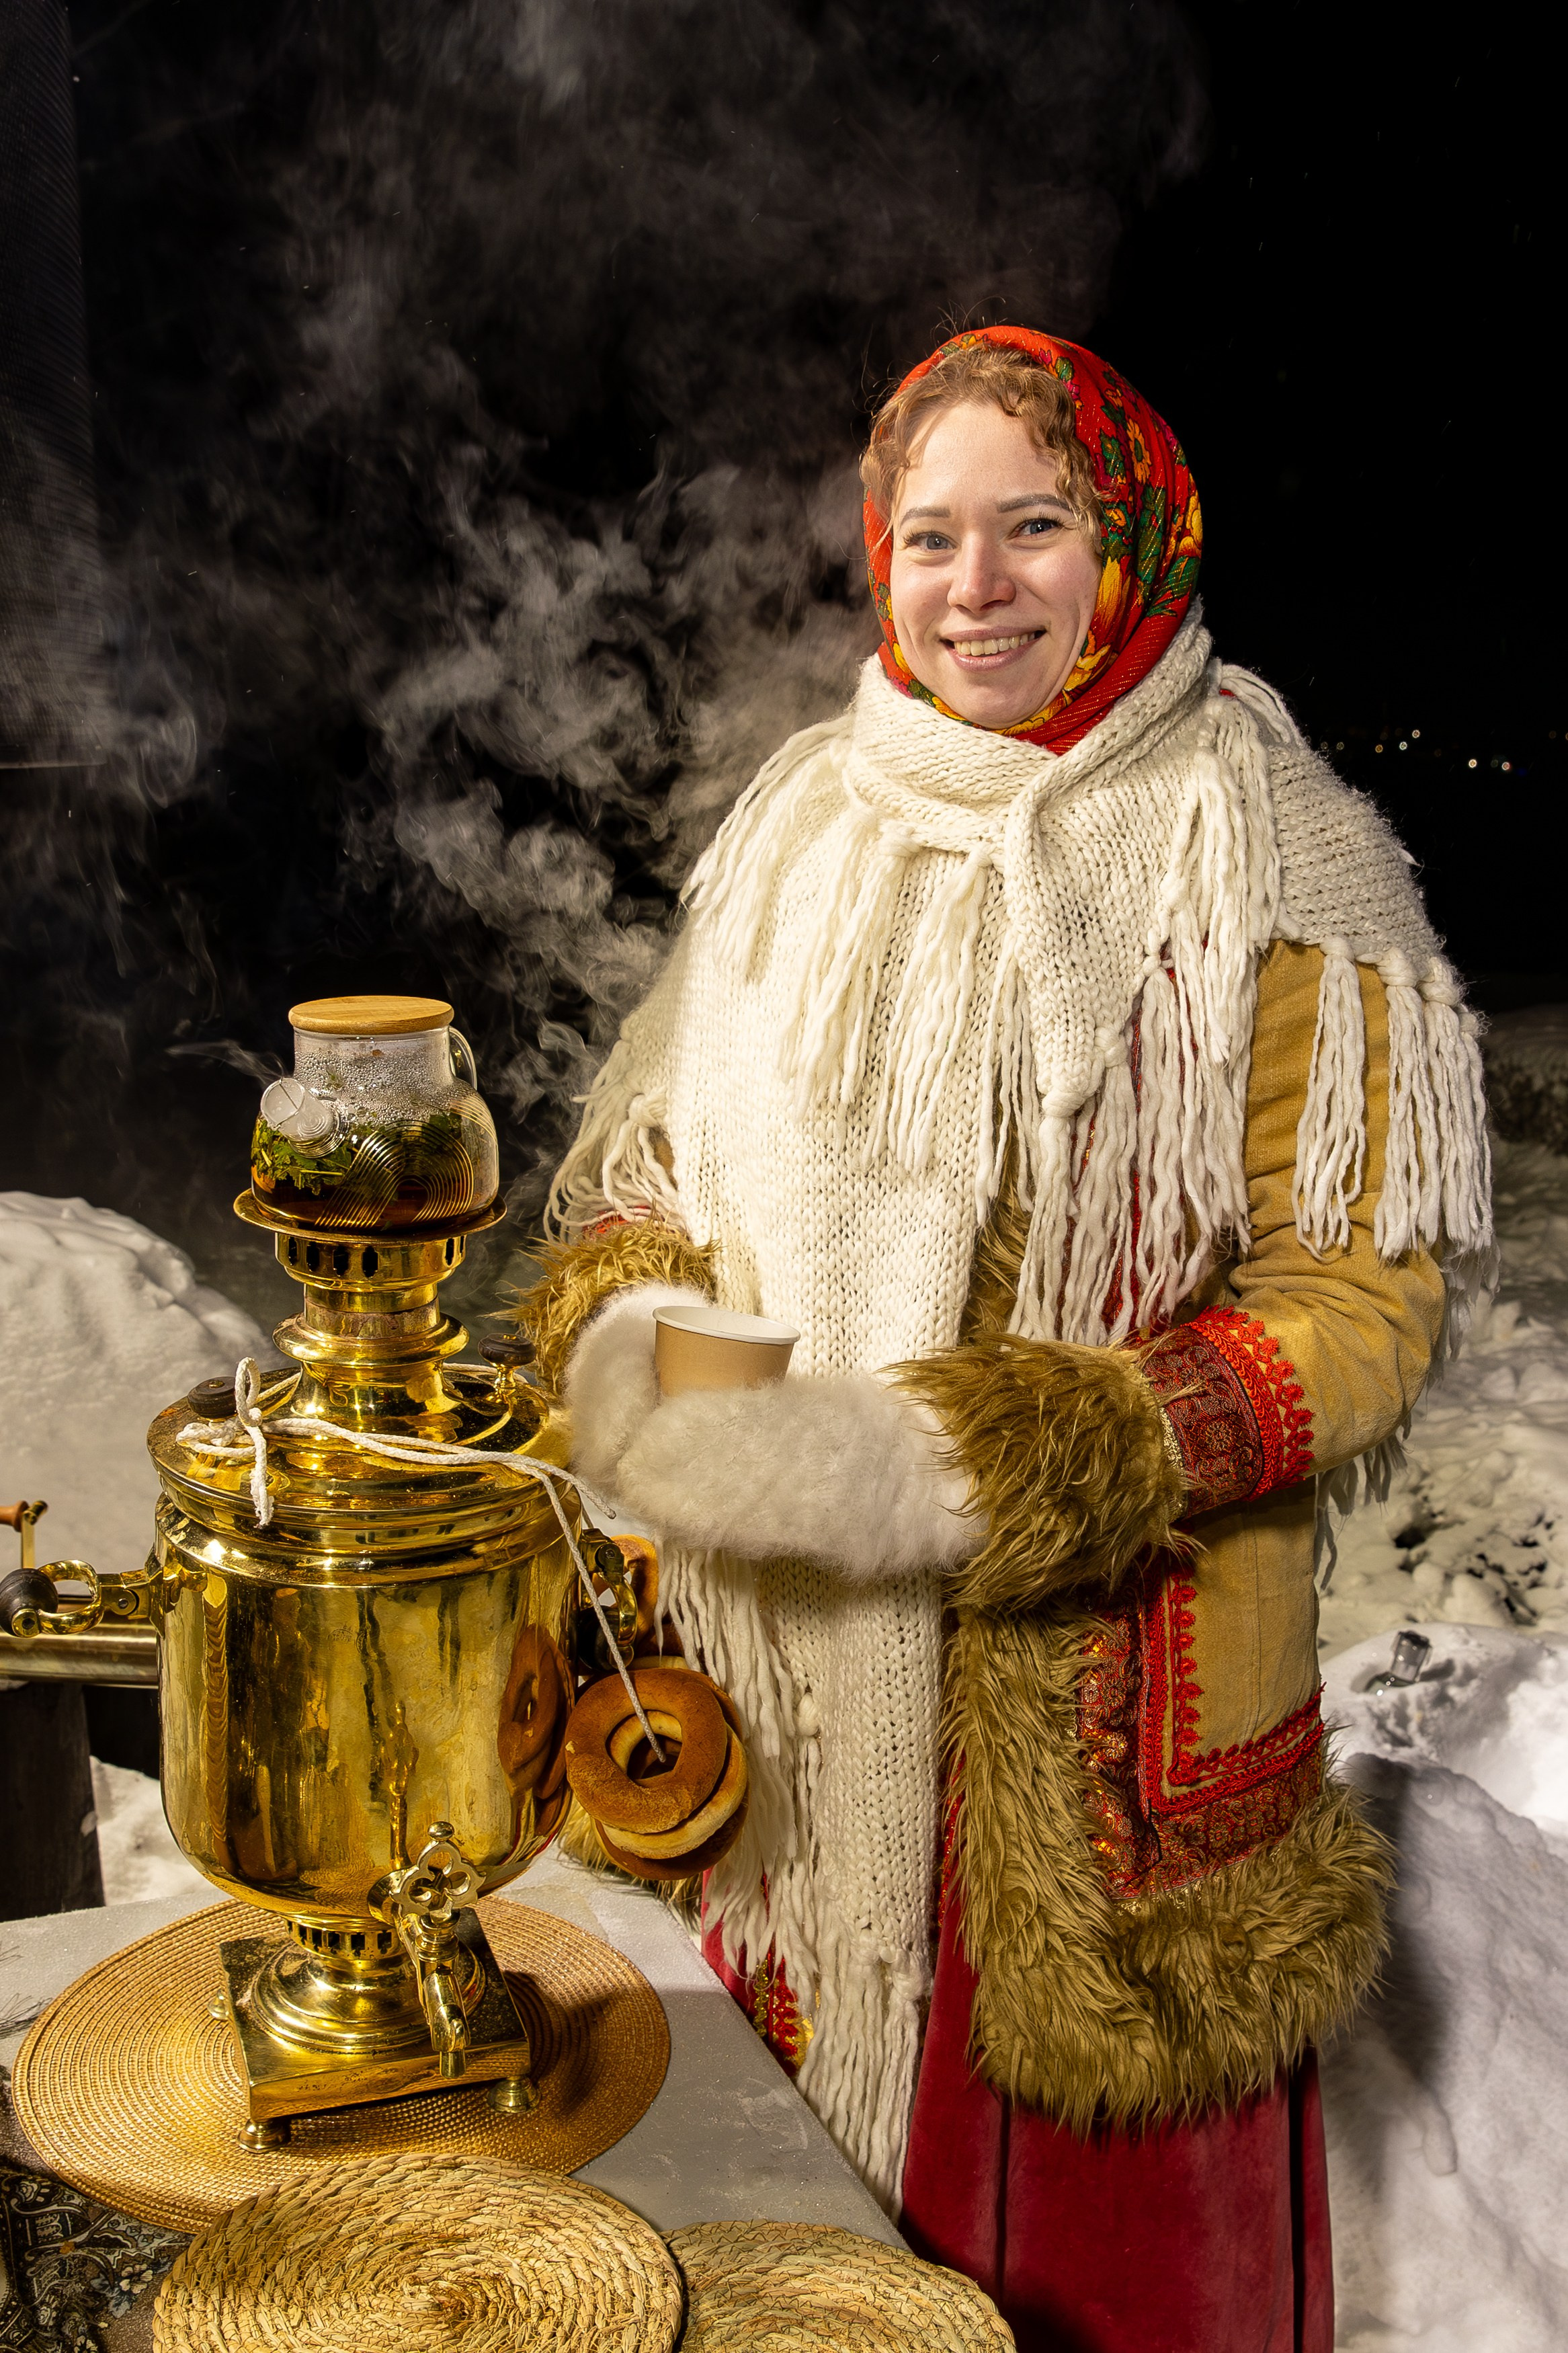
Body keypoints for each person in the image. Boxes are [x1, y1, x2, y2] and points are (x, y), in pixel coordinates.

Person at [520, 327, 1492, 2352]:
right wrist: (702, 1420)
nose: (978, 587)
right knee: (794, 2271)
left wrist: (988, 1462)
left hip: (1111, 1752)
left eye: (1034, 527)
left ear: (1128, 535)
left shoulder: (1279, 847)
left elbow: (1364, 1294)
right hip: (793, 1743)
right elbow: (650, 1207)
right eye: (934, 535)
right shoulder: (803, 824)